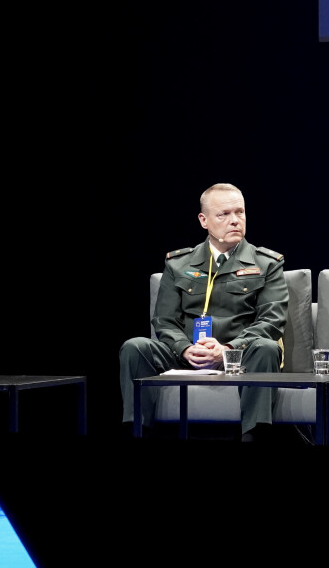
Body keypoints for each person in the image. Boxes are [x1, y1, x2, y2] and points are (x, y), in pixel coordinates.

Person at [119, 183, 289, 438]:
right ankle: (138, 432)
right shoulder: (179, 264)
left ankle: (254, 436)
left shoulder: (266, 263)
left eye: (240, 213)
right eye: (224, 214)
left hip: (240, 358)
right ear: (204, 220)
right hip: (186, 354)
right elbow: (164, 321)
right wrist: (185, 349)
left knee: (267, 347)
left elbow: (272, 320)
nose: (235, 221)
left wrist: (228, 350)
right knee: (135, 347)